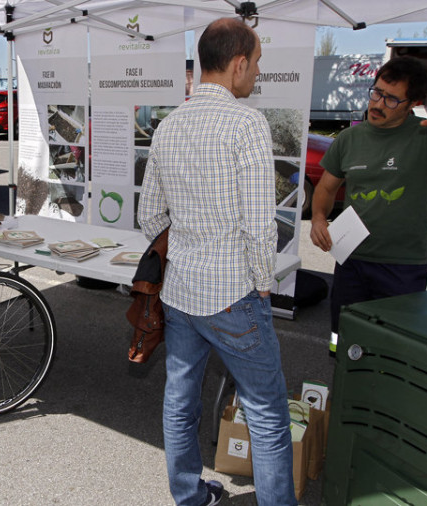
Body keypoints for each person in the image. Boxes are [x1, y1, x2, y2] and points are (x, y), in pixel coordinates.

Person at [138, 18, 296, 506]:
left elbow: (148, 218)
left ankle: (189, 497)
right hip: (233, 295)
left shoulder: (168, 124)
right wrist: (263, 282)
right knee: (267, 411)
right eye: (257, 65)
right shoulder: (246, 123)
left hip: (182, 293)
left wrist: (186, 242)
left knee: (180, 402)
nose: (258, 76)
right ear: (238, 63)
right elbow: (258, 225)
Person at [310, 56, 427, 355]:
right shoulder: (350, 138)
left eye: (391, 99)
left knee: (394, 348)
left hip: (403, 266)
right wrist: (317, 218)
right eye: (376, 93)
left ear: (412, 103)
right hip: (351, 260)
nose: (378, 104)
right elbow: (327, 187)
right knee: (342, 340)